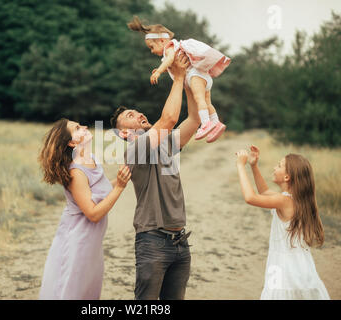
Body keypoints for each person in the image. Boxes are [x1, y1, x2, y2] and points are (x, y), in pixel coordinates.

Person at [110, 52, 199, 300]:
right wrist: (178, 77)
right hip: (152, 242)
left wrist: (193, 78)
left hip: (180, 241)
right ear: (124, 134)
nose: (138, 114)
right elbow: (169, 119)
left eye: (138, 112)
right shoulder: (135, 150)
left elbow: (193, 119)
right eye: (130, 116)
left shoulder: (165, 144)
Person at [38, 119, 131, 299]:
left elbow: (102, 191)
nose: (85, 127)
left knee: (88, 291)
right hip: (76, 240)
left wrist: (124, 178)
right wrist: (119, 187)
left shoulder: (92, 159)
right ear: (72, 142)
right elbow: (93, 214)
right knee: (71, 291)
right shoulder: (76, 172)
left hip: (91, 242)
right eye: (78, 128)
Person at [235, 146, 330, 300]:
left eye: (279, 165)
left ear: (287, 177)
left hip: (282, 266)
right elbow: (264, 192)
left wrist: (240, 165)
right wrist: (253, 166)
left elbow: (250, 198)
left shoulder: (284, 201)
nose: (274, 167)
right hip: (301, 266)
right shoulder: (293, 199)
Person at [127, 16, 231, 143]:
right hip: (203, 77)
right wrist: (163, 69)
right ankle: (216, 123)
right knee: (207, 103)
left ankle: (206, 124)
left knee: (199, 99)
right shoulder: (174, 48)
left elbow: (171, 60)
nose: (152, 51)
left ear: (161, 41)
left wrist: (159, 71)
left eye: (152, 47)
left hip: (195, 76)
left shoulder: (169, 48)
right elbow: (171, 66)